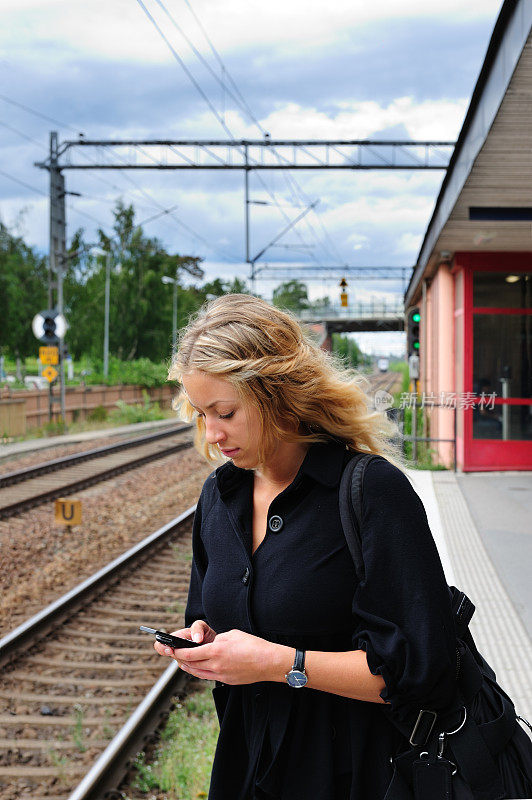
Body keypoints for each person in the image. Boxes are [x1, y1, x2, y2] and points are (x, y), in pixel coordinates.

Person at [153, 294, 531, 800]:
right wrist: (202, 644)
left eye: (225, 412)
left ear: (277, 394)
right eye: (201, 415)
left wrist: (275, 662)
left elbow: (420, 672)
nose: (213, 433)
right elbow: (211, 615)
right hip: (248, 769)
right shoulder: (219, 497)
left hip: (365, 774)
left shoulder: (370, 490)